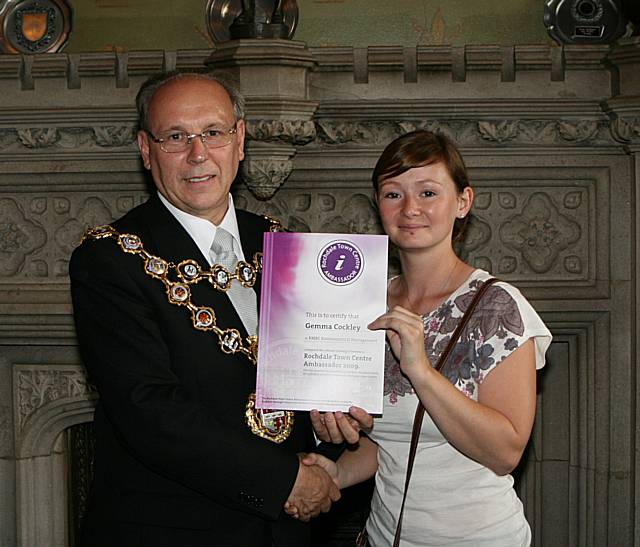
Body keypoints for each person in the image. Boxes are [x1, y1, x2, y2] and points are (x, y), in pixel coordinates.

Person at [69, 69, 340, 547]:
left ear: (240, 139)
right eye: (175, 137)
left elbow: (307, 373)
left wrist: (333, 415)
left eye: (212, 132)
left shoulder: (281, 242)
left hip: (285, 534)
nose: (198, 154)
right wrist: (285, 482)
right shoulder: (108, 259)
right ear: (145, 149)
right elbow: (149, 411)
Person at [295, 129, 552, 546]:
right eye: (393, 194)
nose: (410, 208)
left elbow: (505, 452)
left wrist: (422, 371)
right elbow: (396, 439)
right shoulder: (362, 303)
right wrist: (339, 472)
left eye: (428, 192)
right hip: (384, 537)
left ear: (463, 202)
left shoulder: (496, 307)